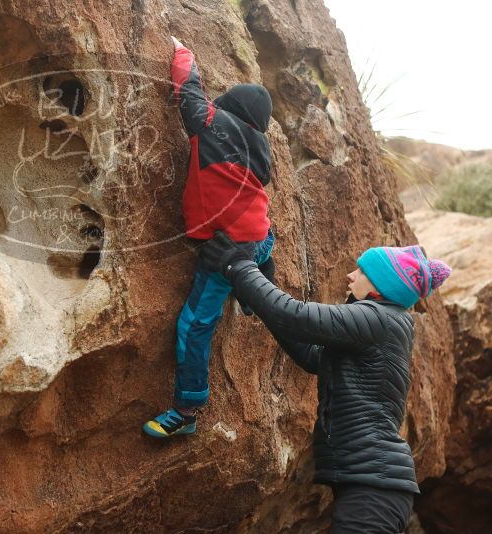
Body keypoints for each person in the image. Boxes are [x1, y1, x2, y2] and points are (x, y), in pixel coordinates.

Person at [198, 230, 452, 534]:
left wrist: (237, 266)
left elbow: (297, 317)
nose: (350, 275)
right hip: (375, 485)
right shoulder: (384, 323)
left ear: (382, 285)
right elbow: (312, 354)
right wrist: (258, 292)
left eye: (362, 271)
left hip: (375, 486)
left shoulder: (378, 320)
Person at [142, 36, 277, 439]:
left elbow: (190, 93)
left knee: (194, 325)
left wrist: (182, 51)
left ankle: (187, 410)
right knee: (263, 238)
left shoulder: (214, 124)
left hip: (225, 251)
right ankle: (260, 272)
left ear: (229, 108)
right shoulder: (259, 144)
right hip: (255, 232)